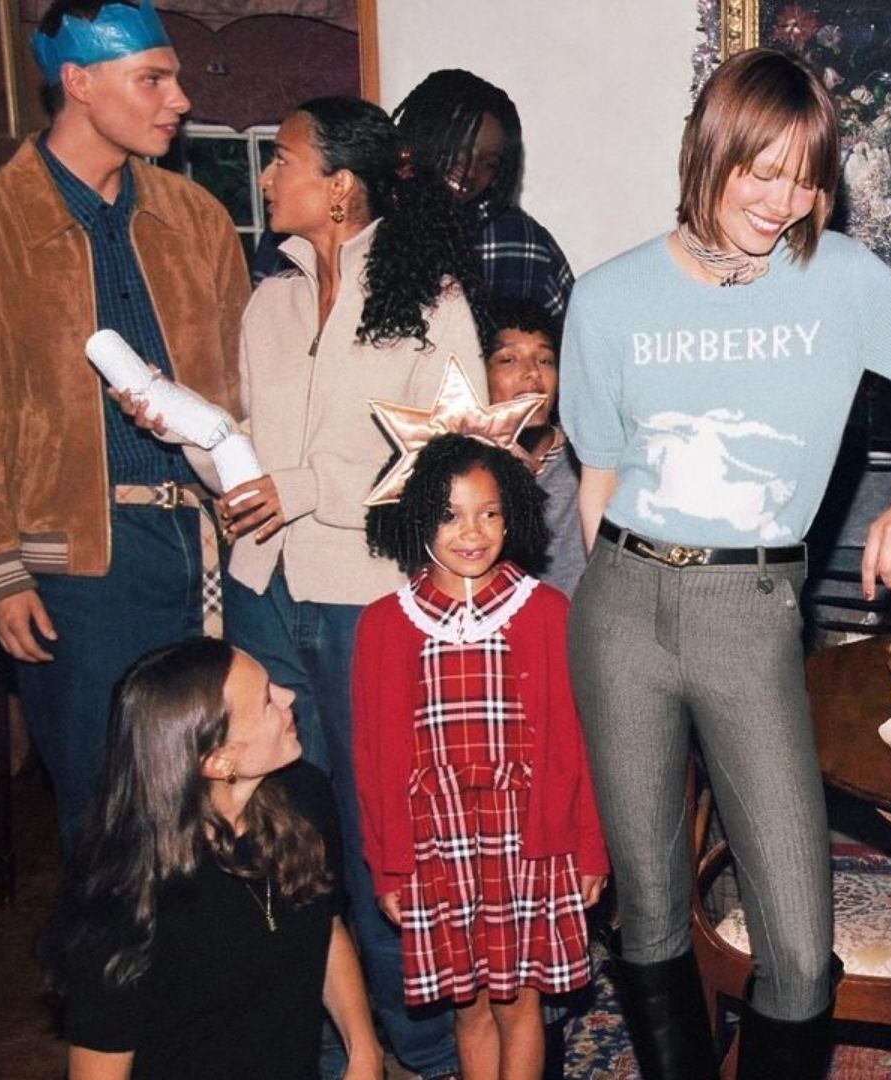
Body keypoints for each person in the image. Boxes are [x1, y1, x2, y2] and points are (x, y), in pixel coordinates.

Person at [559, 48, 891, 1079]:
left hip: (752, 609)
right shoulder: (608, 298)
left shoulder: (840, 281)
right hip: (621, 606)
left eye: (805, 180)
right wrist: (619, 598)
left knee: (801, 955)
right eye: (762, 173)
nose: (783, 203)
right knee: (648, 907)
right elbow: (598, 482)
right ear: (708, 153)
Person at [205, 95, 484, 1080]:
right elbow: (254, 451)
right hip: (261, 590)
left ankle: (421, 1045)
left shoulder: (431, 303)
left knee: (380, 833)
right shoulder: (269, 302)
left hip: (366, 601)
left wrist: (307, 487)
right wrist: (193, 436)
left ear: (339, 188)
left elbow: (452, 456)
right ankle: (320, 1043)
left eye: (282, 159)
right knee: (279, 829)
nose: (265, 175)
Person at [0, 0, 248, 847]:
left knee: (218, 810)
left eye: (175, 78)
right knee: (106, 819)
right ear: (78, 83)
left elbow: (240, 395)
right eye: (152, 79)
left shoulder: (196, 219)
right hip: (78, 569)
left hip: (209, 549)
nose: (179, 99)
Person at [353, 434, 608, 1080]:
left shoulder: (546, 611)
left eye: (489, 513)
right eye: (450, 515)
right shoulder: (385, 624)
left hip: (528, 843)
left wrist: (590, 848)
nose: (472, 532)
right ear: (419, 517)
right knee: (467, 1010)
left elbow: (581, 745)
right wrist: (388, 868)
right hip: (436, 848)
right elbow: (372, 764)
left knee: (520, 1004)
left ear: (512, 515)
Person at [46, 638, 381, 1080]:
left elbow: (325, 925)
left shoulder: (306, 796)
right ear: (219, 761)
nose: (288, 697)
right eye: (266, 701)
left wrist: (364, 1051)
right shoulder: (120, 899)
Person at [394, 68, 576, 316]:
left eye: (489, 163)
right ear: (424, 136)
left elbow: (574, 337)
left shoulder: (519, 243)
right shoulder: (370, 222)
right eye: (460, 149)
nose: (470, 171)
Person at [481, 299, 586, 595]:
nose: (531, 373)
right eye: (508, 360)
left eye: (545, 360)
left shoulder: (587, 456)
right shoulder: (465, 469)